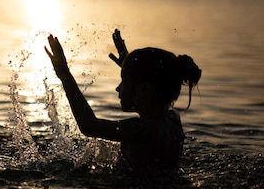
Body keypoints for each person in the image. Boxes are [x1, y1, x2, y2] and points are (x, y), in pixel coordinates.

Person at [45, 29, 201, 173]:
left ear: (145, 90)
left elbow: (89, 126)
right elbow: (153, 80)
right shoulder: (173, 120)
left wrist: (65, 75)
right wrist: (130, 67)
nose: (118, 89)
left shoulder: (139, 130)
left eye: (124, 81)